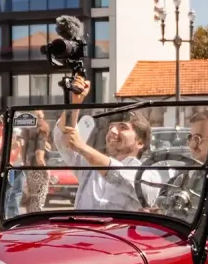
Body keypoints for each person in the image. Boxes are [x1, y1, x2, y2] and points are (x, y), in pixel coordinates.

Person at [57, 76, 159, 214]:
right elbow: (64, 138)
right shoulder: (90, 167)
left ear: (140, 142)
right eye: (111, 127)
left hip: (120, 229)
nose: (112, 131)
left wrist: (83, 148)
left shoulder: (148, 174)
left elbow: (121, 177)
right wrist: (75, 102)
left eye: (123, 127)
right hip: (82, 227)